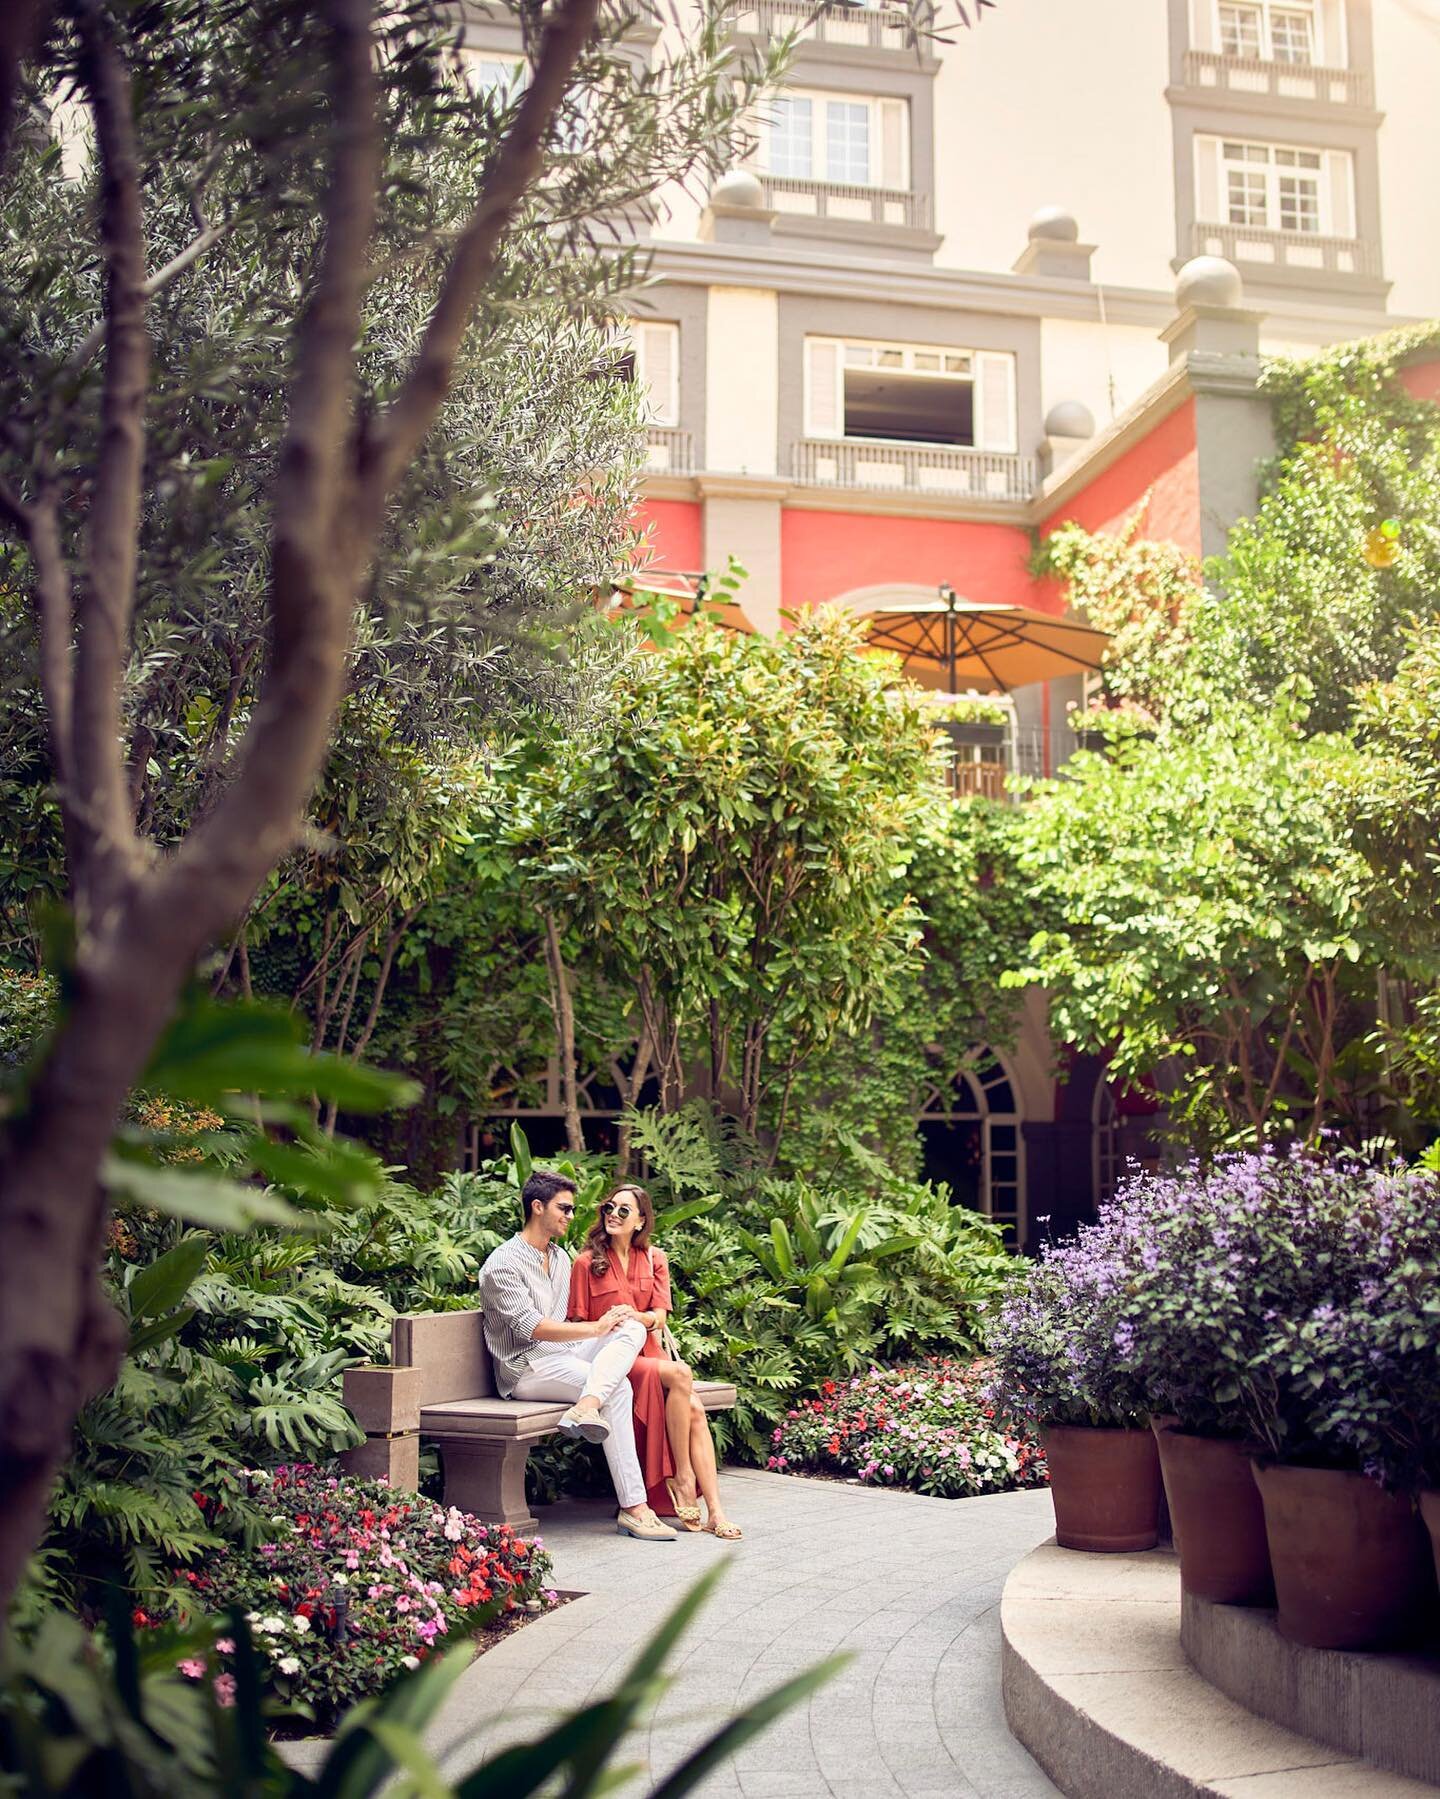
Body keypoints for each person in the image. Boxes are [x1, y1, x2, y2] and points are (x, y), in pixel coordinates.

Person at [478, 1168, 677, 1541]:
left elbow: (570, 1325)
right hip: (526, 1368)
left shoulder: (558, 1258)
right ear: (538, 1207)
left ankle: (587, 1405)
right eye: (564, 1209)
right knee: (617, 1389)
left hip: (562, 1354)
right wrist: (595, 1328)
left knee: (630, 1325)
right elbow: (532, 1328)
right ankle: (635, 1508)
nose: (572, 1217)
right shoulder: (502, 1264)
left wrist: (608, 1323)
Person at [570, 1182, 742, 1540]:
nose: (613, 1215)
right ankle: (682, 1477)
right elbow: (578, 1324)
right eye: (609, 1208)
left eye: (623, 1210)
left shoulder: (655, 1258)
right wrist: (611, 1325)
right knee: (682, 1373)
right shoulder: (586, 1263)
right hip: (613, 1357)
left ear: (640, 1220)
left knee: (693, 1409)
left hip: (650, 1352)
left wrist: (637, 1315)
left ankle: (716, 1511)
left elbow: (660, 1317)